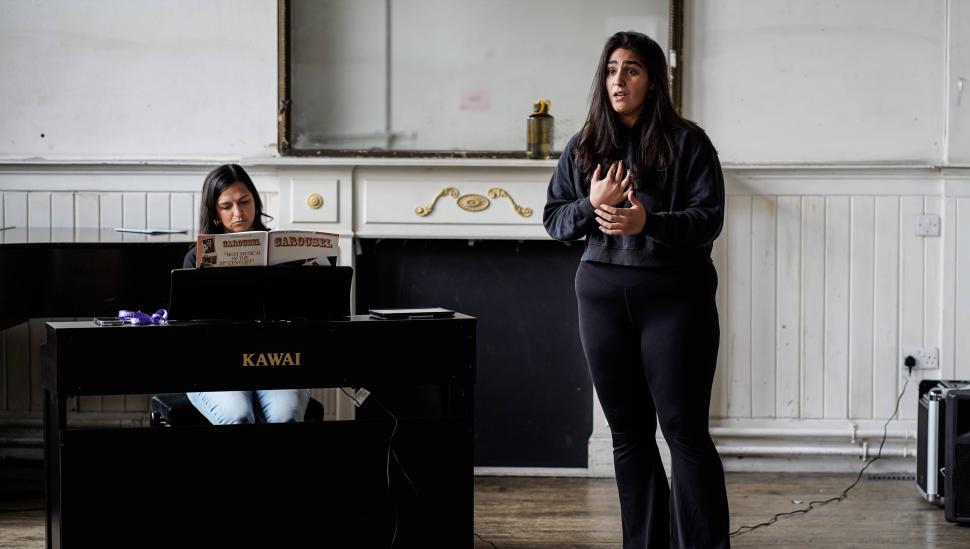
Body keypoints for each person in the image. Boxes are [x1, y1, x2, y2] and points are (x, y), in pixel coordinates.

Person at [543, 31, 730, 548]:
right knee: (627, 435)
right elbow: (555, 220)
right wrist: (591, 204)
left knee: (683, 431)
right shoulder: (584, 145)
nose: (618, 80)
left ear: (652, 81)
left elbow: (706, 220)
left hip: (674, 298)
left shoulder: (688, 142)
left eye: (631, 70)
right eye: (610, 70)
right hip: (601, 297)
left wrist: (646, 221)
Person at [182, 163, 310, 425]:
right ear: (214, 211)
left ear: (256, 201)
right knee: (238, 416)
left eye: (245, 202)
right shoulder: (197, 258)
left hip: (277, 362)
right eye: (226, 206)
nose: (238, 213)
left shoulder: (284, 251)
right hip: (216, 366)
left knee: (286, 416)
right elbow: (188, 327)